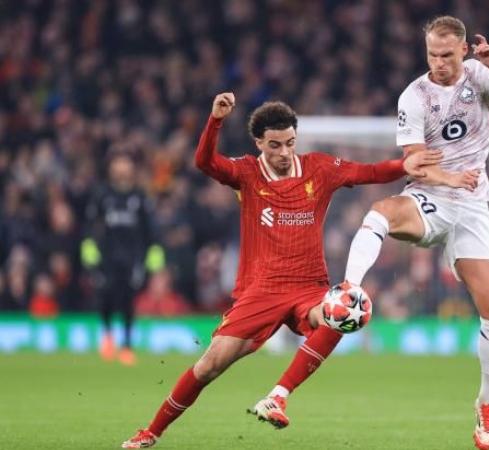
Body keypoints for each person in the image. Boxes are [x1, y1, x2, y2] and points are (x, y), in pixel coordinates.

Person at [121, 92, 446, 448]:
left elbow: (368, 172)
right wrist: (215, 120)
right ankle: (151, 432)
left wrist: (404, 166)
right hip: (261, 290)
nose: (283, 152)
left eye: (290, 143)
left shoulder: (319, 168)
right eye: (274, 145)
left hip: (309, 288)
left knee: (346, 311)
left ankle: (277, 396)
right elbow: (205, 162)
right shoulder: (246, 173)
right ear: (259, 142)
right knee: (209, 366)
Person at [338, 16, 489, 450]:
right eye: (432, 54)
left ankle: (486, 403)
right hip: (430, 196)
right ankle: (349, 288)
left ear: (463, 50)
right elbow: (414, 161)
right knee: (380, 212)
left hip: (471, 207)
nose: (440, 63)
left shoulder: (481, 77)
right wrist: (447, 179)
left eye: (447, 54)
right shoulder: (414, 96)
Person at [82, 154, 164, 365]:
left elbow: (151, 229)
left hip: (133, 258)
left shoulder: (139, 196)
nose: (121, 169)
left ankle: (127, 346)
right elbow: (91, 225)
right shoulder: (103, 195)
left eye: (125, 165)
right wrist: (89, 249)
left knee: (128, 301)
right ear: (112, 169)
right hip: (107, 256)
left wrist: (154, 255)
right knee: (105, 296)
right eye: (118, 164)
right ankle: (108, 336)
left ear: (131, 169)